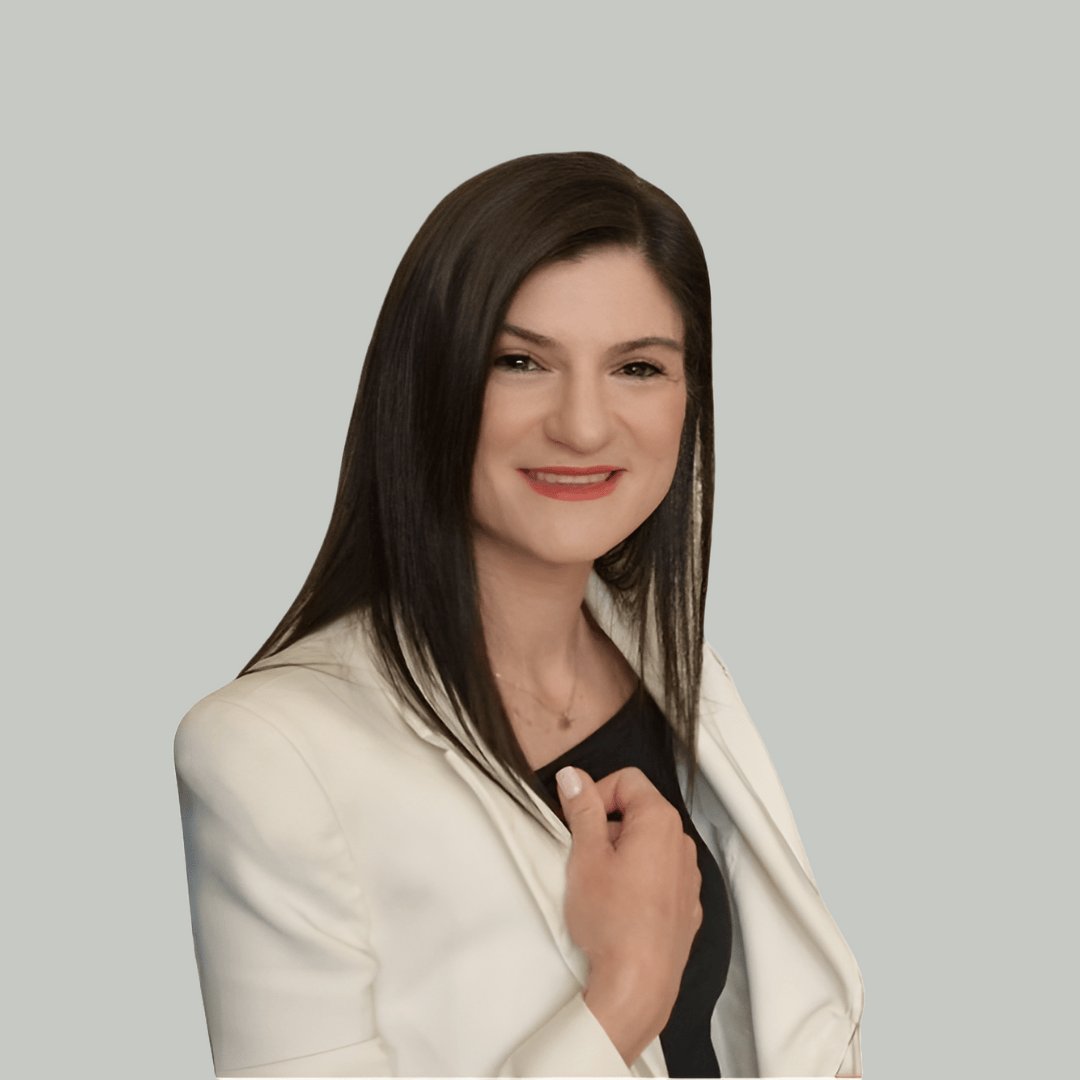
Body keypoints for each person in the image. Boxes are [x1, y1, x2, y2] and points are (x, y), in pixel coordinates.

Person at [174, 151, 864, 1078]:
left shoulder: (679, 670)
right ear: (429, 385)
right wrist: (625, 992)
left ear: (688, 397)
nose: (584, 425)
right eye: (521, 360)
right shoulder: (270, 757)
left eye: (638, 366)